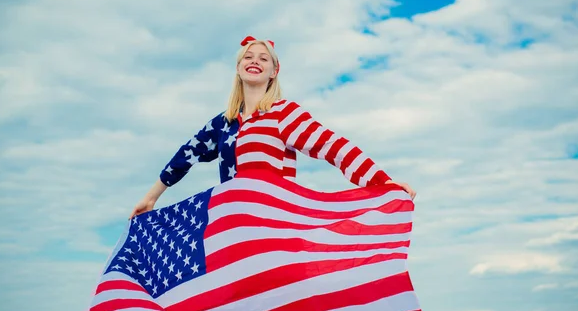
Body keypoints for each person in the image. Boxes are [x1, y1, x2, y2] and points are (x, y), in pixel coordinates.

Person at [130, 36, 415, 219]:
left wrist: (382, 182)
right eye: (248, 56)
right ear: (238, 67)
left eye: (263, 58)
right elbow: (186, 156)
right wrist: (150, 198)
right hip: (232, 227)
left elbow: (333, 147)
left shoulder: (283, 113)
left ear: (273, 71)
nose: (255, 61)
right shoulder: (223, 123)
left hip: (276, 223)